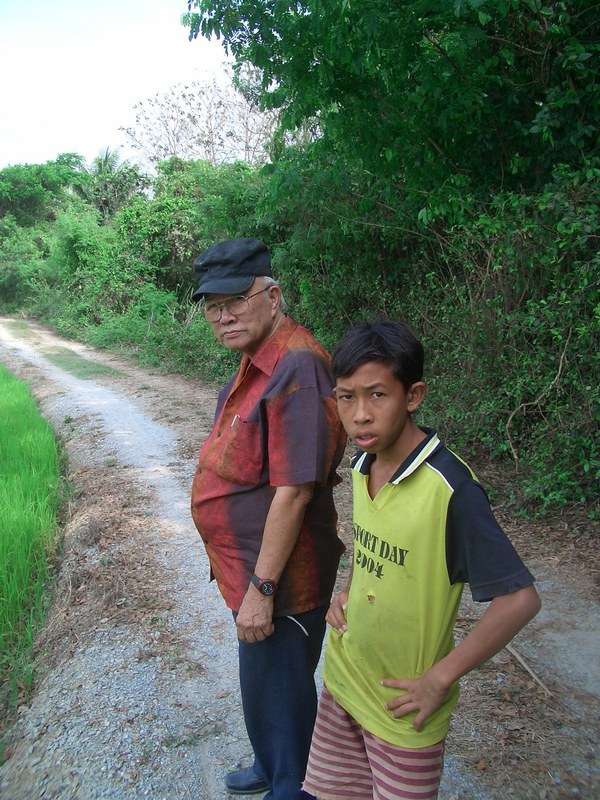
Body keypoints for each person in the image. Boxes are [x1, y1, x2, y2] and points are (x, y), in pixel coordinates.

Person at [302, 320, 541, 800]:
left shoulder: (450, 490)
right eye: (346, 397)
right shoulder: (362, 464)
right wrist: (349, 589)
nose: (360, 415)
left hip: (403, 709)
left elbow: (520, 600)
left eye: (377, 395)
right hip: (345, 679)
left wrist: (439, 679)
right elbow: (370, 543)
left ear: (413, 396)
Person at [189, 238, 346, 800]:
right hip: (248, 566)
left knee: (281, 688)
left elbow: (296, 492)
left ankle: (292, 784)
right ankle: (270, 761)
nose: (223, 314)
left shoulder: (298, 365)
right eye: (212, 305)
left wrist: (262, 587)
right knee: (262, 682)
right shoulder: (259, 358)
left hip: (282, 577)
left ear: (272, 295)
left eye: (235, 299)